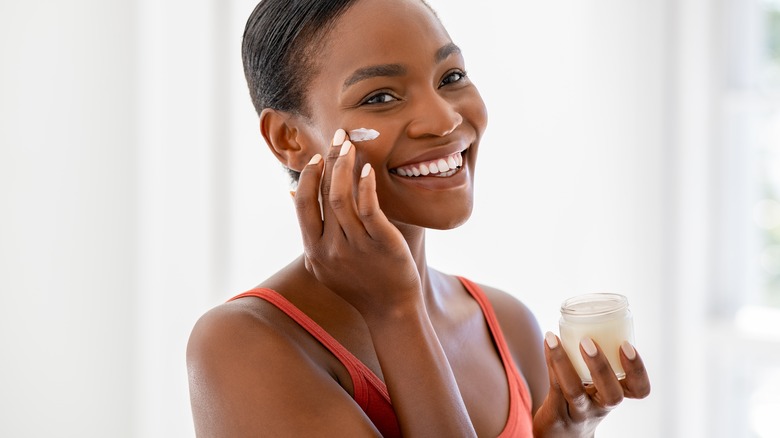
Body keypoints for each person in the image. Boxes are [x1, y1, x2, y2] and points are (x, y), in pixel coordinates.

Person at [186, 0, 651, 436]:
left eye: (451, 77)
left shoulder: (507, 325)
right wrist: (395, 312)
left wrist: (561, 430)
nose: (444, 119)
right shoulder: (241, 345)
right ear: (289, 138)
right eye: (380, 97)